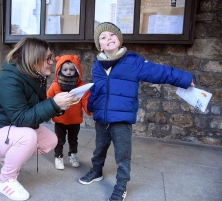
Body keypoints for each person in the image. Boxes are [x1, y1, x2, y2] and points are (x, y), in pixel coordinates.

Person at [78, 22, 195, 201]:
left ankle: (121, 185)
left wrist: (184, 79)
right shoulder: (97, 65)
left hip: (122, 119)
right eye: (103, 37)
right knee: (99, 148)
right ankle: (96, 171)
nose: (108, 38)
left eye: (112, 35)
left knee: (122, 155)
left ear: (119, 39)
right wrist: (91, 106)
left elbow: (160, 72)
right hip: (102, 118)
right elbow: (96, 89)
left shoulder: (132, 62)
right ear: (99, 45)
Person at [0, 37, 75, 201]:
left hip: (6, 128)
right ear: (34, 59)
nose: (51, 62)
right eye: (48, 58)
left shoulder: (34, 77)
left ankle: (8, 157)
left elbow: (35, 111)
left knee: (50, 140)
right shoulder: (9, 80)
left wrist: (58, 105)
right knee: (28, 137)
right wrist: (53, 104)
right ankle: (5, 180)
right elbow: (21, 118)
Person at [47, 55, 90, 170]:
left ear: (77, 70)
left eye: (72, 69)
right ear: (59, 70)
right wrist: (47, 112)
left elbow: (86, 100)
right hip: (60, 119)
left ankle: (73, 155)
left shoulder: (82, 86)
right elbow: (48, 99)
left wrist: (90, 108)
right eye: (65, 69)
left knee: (73, 139)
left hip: (75, 120)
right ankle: (58, 156)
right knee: (59, 140)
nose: (69, 72)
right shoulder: (55, 85)